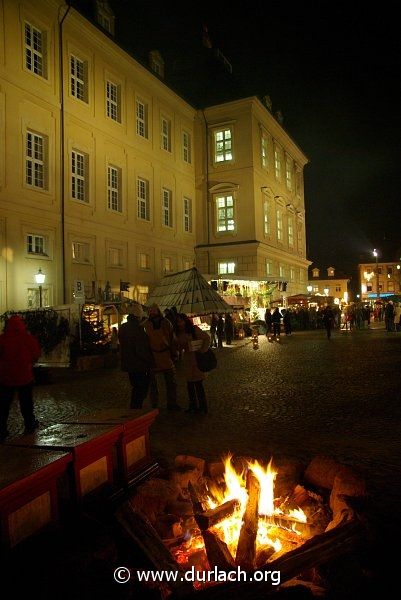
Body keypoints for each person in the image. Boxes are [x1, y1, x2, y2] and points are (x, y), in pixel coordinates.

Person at [0, 314, 41, 440]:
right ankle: (29, 424)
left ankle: (1, 430)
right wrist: (30, 362)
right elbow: (36, 352)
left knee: (3, 404)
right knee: (26, 402)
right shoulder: (27, 338)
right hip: (24, 375)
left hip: (6, 377)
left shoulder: (2, 339)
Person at [144, 304, 181, 410]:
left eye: (154, 310)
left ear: (158, 311)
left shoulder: (166, 323)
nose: (152, 312)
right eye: (150, 310)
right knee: (153, 385)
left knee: (171, 383)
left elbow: (172, 339)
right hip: (153, 357)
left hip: (166, 356)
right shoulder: (146, 325)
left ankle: (172, 403)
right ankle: (154, 404)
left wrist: (174, 353)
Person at [118, 304, 153, 409]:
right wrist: (149, 361)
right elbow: (141, 349)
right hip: (139, 364)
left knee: (135, 386)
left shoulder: (124, 327)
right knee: (141, 387)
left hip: (129, 364)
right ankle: (136, 409)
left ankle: (135, 407)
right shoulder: (137, 329)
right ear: (138, 316)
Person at [175, 313, 210, 413]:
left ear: (185, 321)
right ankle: (193, 406)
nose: (179, 323)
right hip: (187, 361)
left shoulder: (194, 330)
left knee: (198, 385)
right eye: (178, 322)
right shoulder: (179, 333)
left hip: (196, 359)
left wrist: (202, 350)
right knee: (190, 385)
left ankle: (203, 407)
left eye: (181, 321)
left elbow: (206, 338)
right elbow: (179, 346)